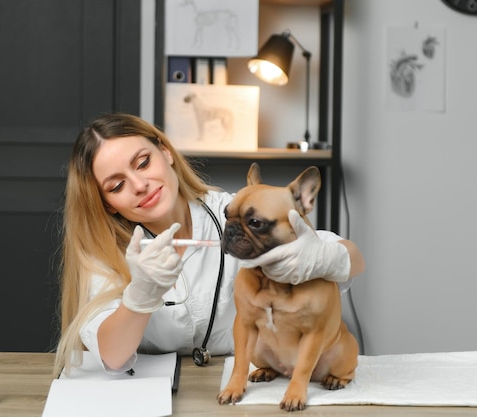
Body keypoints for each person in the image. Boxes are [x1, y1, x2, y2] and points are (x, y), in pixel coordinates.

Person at [53, 113, 365, 376]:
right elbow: (112, 356)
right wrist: (140, 296)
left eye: (144, 162)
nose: (139, 185)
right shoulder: (104, 254)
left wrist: (327, 259)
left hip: (250, 383)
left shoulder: (237, 217)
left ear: (166, 153)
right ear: (106, 203)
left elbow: (355, 260)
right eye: (117, 185)